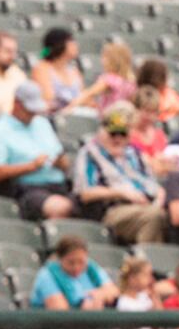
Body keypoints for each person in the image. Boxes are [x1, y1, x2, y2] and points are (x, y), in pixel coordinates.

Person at [71, 103, 166, 243]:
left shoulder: (134, 154)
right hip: (113, 209)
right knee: (154, 216)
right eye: (113, 133)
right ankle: (145, 260)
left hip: (145, 205)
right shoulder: (90, 153)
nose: (118, 139)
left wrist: (159, 197)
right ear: (102, 130)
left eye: (123, 134)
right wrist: (121, 193)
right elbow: (85, 193)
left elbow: (153, 184)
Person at [0, 79, 74, 220]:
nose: (33, 113)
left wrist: (61, 163)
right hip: (27, 190)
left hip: (59, 184)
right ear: (17, 104)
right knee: (61, 207)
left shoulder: (42, 124)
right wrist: (31, 166)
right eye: (29, 110)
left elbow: (61, 158)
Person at [29, 234, 115, 311]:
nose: (76, 267)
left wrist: (98, 295)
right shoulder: (46, 275)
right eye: (71, 262)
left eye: (81, 262)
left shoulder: (91, 268)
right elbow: (60, 312)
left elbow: (113, 291)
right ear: (60, 259)